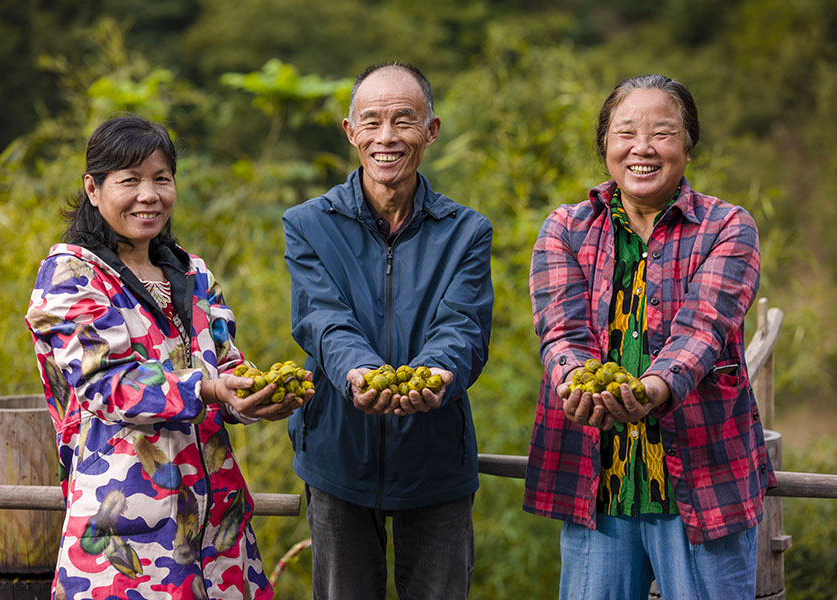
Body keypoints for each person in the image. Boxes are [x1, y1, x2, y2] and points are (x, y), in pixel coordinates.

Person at [25, 115, 306, 600]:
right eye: (129, 180)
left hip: (216, 524)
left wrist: (251, 396)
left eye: (161, 178)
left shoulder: (191, 271)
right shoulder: (71, 274)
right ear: (93, 188)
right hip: (129, 519)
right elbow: (106, 385)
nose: (149, 194)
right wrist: (209, 389)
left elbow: (227, 364)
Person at [523, 75, 776, 599]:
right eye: (625, 133)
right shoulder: (565, 229)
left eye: (662, 133)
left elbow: (703, 329)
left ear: (687, 145)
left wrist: (653, 389)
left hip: (705, 485)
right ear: (605, 146)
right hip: (599, 488)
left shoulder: (727, 226)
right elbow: (561, 332)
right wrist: (574, 381)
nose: (643, 147)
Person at [282, 62, 493, 599]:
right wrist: (362, 372)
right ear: (350, 131)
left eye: (404, 120)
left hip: (436, 457)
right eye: (371, 121)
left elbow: (462, 325)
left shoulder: (466, 231)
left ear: (432, 130)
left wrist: (435, 374)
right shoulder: (307, 224)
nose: (386, 137)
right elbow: (322, 318)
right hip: (337, 453)